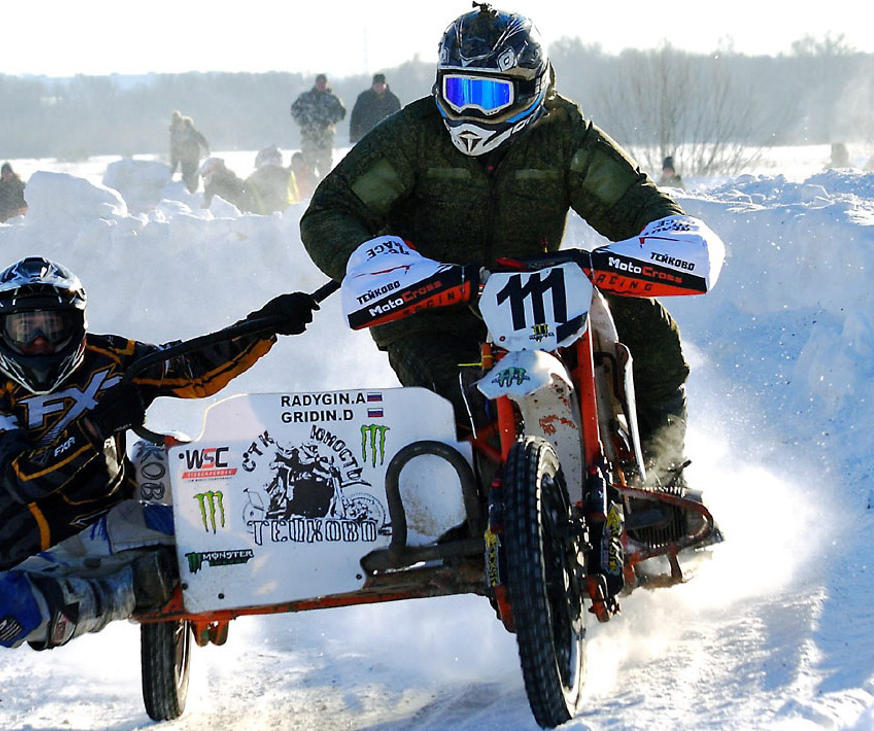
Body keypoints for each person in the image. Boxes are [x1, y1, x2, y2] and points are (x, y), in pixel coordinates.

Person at [301, 5, 722, 503]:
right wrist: (369, 256)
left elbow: (633, 201)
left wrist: (668, 231)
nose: (470, 112)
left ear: (528, 89)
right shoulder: (412, 134)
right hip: (431, 307)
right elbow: (330, 211)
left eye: (487, 94)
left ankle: (661, 477)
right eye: (458, 91)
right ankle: (463, 507)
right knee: (458, 402)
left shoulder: (564, 133)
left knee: (650, 332)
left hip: (540, 299)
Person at [0, 256, 319, 650]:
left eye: (52, 326)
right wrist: (96, 425)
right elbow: (22, 479)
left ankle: (267, 549)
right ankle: (134, 587)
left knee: (166, 452)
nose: (40, 342)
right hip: (31, 557)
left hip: (118, 522)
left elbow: (192, 368)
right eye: (25, 329)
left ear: (75, 325)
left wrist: (261, 326)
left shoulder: (109, 357)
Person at [290, 73, 346, 181]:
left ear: (326, 84)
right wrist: (303, 120)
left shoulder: (332, 99)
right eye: (319, 83)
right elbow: (294, 110)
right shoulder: (305, 97)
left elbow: (341, 112)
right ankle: (308, 189)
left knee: (325, 165)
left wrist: (330, 120)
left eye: (323, 83)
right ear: (315, 83)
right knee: (307, 164)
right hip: (309, 136)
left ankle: (323, 188)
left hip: (325, 137)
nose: (321, 85)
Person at [349, 73, 402, 143]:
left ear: (385, 85)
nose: (378, 88)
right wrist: (353, 134)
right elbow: (355, 116)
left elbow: (398, 119)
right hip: (366, 135)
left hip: (387, 136)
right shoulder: (364, 98)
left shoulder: (393, 100)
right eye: (376, 85)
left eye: (380, 85)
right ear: (373, 85)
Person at [245, 146, 299, 214]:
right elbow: (294, 199)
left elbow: (247, 202)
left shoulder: (252, 178)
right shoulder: (288, 175)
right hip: (284, 218)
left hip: (259, 219)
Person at [169, 111, 210, 194]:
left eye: (182, 125)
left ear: (184, 123)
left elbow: (201, 139)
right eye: (179, 126)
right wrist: (174, 165)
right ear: (176, 127)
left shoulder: (191, 131)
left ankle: (193, 191)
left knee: (194, 175)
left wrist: (206, 148)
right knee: (186, 176)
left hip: (194, 157)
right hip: (183, 159)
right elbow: (174, 152)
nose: (181, 127)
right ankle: (188, 193)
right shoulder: (175, 137)